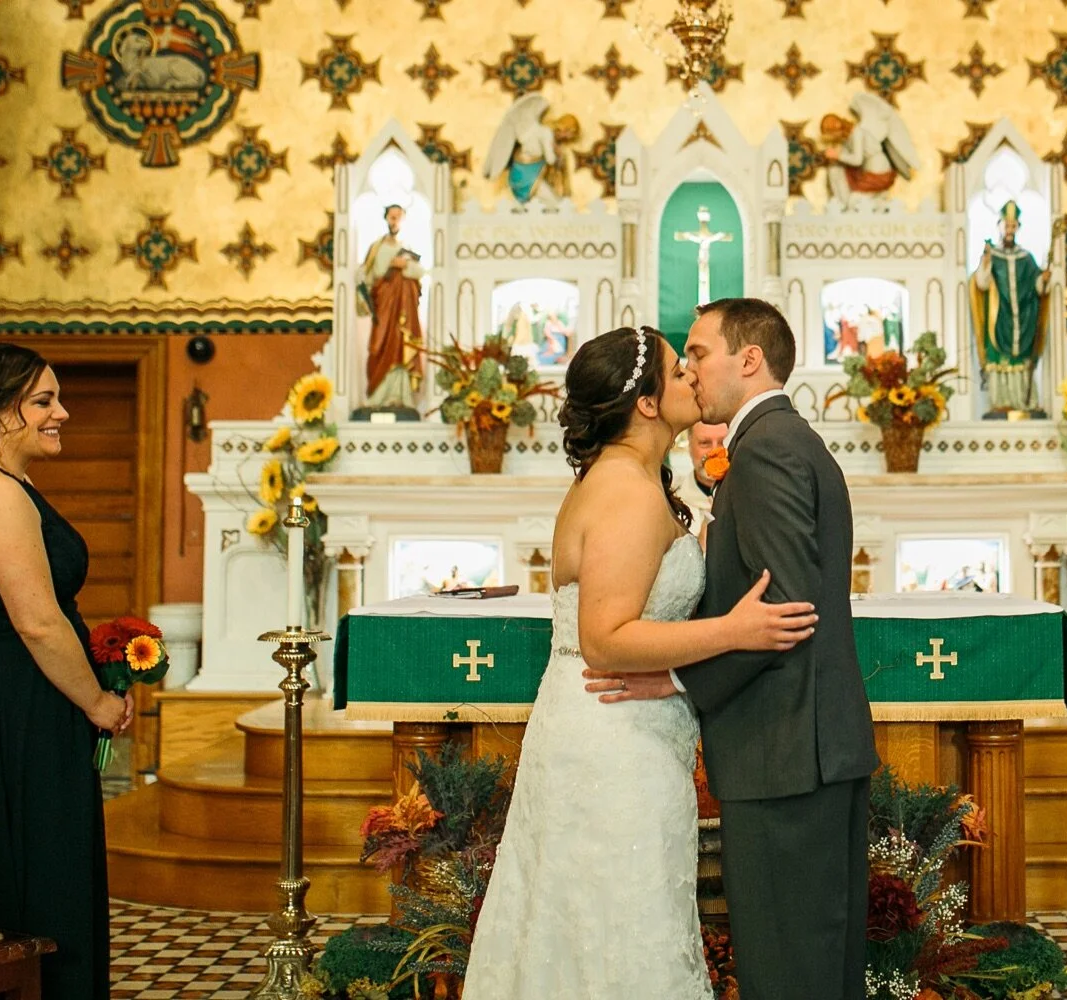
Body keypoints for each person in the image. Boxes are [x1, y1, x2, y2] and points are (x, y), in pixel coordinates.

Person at [461, 326, 820, 999]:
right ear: (647, 403)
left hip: (614, 725)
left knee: (596, 919)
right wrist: (734, 630)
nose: (691, 377)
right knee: (619, 918)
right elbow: (606, 638)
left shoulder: (628, 480)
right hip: (613, 734)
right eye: (677, 370)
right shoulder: (625, 489)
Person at [587, 297, 880, 1000]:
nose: (688, 369)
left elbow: (784, 608)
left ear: (748, 360)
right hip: (801, 747)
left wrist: (682, 681)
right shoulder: (777, 442)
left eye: (698, 352)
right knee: (815, 964)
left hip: (786, 753)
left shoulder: (768, 450)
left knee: (790, 969)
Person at [0, 343, 133, 1000]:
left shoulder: (7, 484)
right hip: (7, 712)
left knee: (44, 864)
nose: (62, 412)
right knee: (33, 873)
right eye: (43, 401)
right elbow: (36, 621)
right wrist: (96, 702)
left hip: (21, 699)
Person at [969, 200, 1051, 417]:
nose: (1009, 230)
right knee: (1000, 357)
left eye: (1013, 226)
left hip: (1023, 317)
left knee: (1022, 359)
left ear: (1018, 228)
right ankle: (1001, 402)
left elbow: (1037, 287)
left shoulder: (1026, 257)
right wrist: (985, 263)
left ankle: (1024, 402)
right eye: (1006, 226)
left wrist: (1042, 280)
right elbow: (982, 283)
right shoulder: (993, 255)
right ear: (1000, 226)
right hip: (1000, 318)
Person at [358, 203, 426, 410]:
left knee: (400, 345)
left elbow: (420, 272)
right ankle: (377, 397)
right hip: (383, 302)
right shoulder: (376, 247)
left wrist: (404, 266)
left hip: (403, 305)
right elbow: (366, 274)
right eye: (391, 216)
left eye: (399, 217)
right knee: (379, 345)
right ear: (386, 218)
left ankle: (401, 397)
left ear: (403, 220)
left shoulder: (409, 248)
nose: (395, 220)